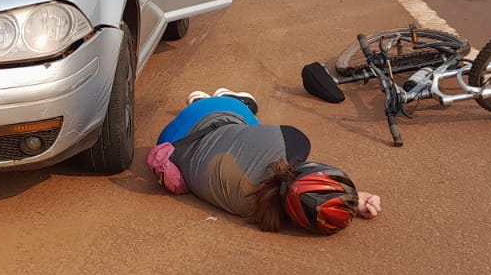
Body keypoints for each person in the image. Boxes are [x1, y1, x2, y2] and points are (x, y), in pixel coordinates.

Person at [147, 88, 382, 234]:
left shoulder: (295, 142)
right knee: (241, 142)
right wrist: (346, 203)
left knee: (250, 127)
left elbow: (292, 172)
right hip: (169, 144)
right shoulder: (254, 211)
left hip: (206, 116)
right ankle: (208, 102)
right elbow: (298, 197)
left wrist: (352, 195)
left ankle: (221, 98)